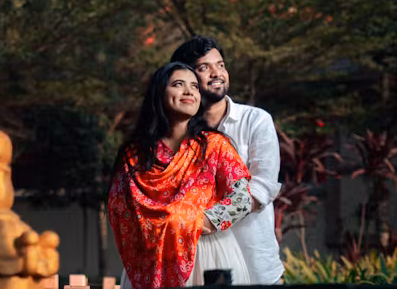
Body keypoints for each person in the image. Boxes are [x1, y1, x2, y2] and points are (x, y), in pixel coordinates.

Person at [108, 62, 254, 289]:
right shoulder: (135, 155)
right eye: (179, 84)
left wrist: (191, 221)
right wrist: (156, 226)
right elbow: (119, 207)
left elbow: (242, 199)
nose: (189, 92)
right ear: (159, 93)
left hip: (205, 253)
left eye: (195, 87)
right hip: (149, 257)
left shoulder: (214, 146)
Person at [171, 36, 285, 285]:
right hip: (192, 266)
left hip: (253, 262)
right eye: (204, 68)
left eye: (220, 65)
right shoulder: (176, 132)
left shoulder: (255, 120)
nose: (217, 73)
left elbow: (261, 189)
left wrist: (205, 221)